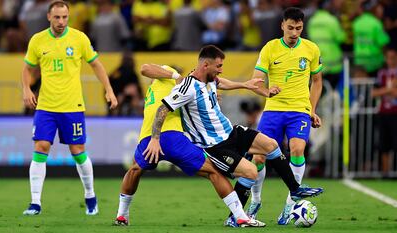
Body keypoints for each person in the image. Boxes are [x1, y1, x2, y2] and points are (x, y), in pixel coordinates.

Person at [144, 45, 324, 227]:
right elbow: (162, 108)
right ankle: (234, 217)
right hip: (215, 146)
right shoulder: (187, 88)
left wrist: (245, 84)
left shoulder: (210, 79)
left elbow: (221, 82)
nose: (221, 70)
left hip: (232, 132)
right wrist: (155, 138)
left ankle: (295, 189)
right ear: (206, 65)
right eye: (219, 66)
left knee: (270, 145)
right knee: (251, 172)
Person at [114, 63, 265, 227]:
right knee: (213, 173)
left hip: (149, 138)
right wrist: (175, 75)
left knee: (135, 170)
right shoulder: (172, 77)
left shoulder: (162, 89)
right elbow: (144, 68)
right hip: (172, 138)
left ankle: (122, 215)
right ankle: (240, 216)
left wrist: (210, 97)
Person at [21, 0, 118, 216]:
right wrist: (26, 89)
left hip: (72, 106)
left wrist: (109, 90)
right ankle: (35, 203)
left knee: (77, 151)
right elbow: (27, 68)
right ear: (49, 17)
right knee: (41, 147)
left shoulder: (79, 38)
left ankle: (90, 195)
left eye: (65, 17)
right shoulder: (37, 40)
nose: (61, 21)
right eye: (57, 17)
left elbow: (96, 65)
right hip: (46, 106)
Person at [247, 7, 324, 225]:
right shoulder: (270, 48)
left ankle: (291, 203)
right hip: (273, 109)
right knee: (259, 157)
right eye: (290, 27)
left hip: (299, 110)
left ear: (302, 27)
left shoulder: (311, 49)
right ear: (282, 25)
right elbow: (256, 81)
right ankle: (256, 200)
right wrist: (266, 91)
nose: (294, 33)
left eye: (298, 28)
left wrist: (311, 109)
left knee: (297, 149)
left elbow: (317, 82)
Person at [371, 47, 397, 176]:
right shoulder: (382, 73)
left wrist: (389, 90)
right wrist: (389, 90)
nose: (390, 60)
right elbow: (373, 92)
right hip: (384, 113)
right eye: (388, 57)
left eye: (393, 57)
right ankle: (386, 173)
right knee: (384, 144)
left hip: (395, 113)